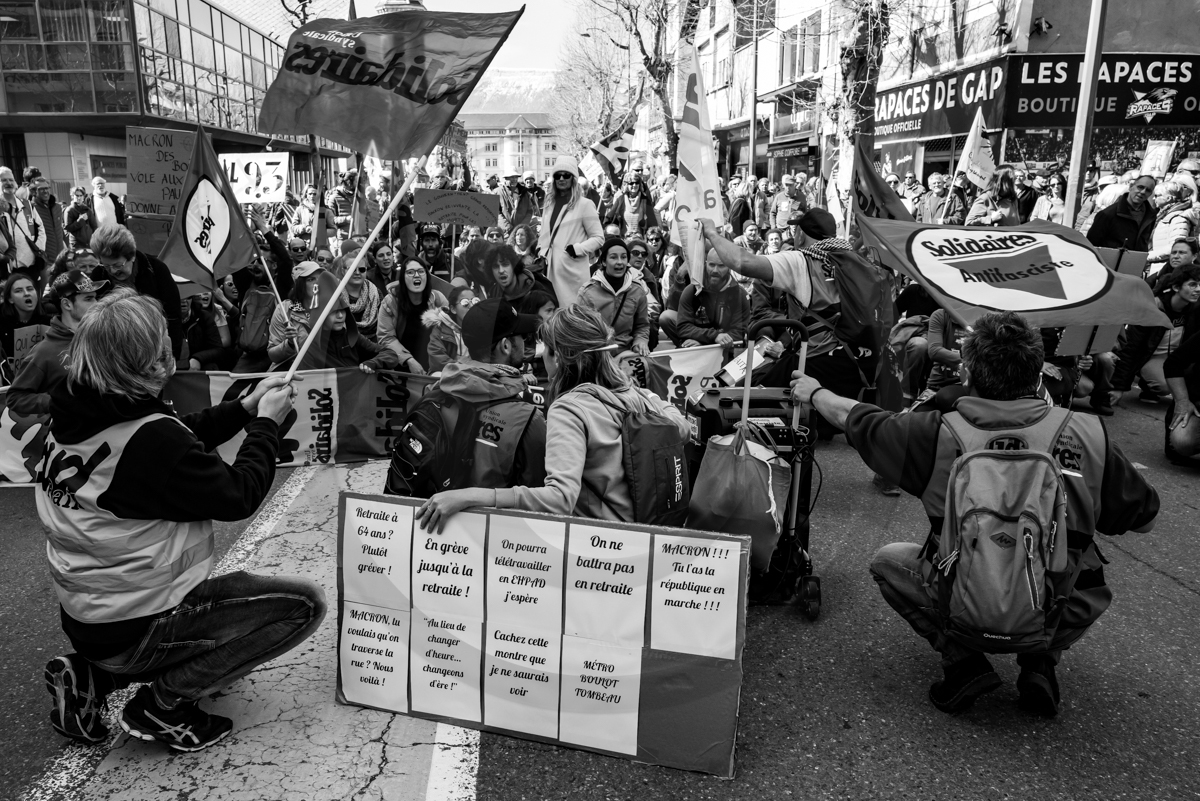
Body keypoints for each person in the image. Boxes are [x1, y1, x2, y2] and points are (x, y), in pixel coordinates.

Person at [791, 310, 1158, 716]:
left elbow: (856, 418)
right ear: (1038, 374)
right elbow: (1146, 521)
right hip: (1060, 607)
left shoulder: (934, 432)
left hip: (962, 602)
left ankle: (964, 663)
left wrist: (814, 391)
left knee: (887, 561)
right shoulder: (1089, 433)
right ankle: (1041, 663)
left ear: (967, 373)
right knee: (1084, 568)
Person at [38, 290, 325, 751]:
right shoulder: (149, 439)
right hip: (141, 621)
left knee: (228, 618)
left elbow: (177, 437)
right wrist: (267, 426)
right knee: (303, 605)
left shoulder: (80, 409)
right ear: (147, 361)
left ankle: (93, 678)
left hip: (91, 617)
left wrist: (245, 407)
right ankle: (164, 705)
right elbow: (238, 494)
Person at [416, 304, 688, 529]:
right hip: (645, 531)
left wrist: (469, 496)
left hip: (597, 543)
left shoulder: (569, 409)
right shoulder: (632, 395)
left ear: (558, 358)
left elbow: (559, 498)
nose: (540, 356)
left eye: (545, 349)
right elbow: (682, 427)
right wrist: (648, 395)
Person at [5, 270, 105, 415]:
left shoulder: (103, 339)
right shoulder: (44, 351)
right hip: (71, 434)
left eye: (96, 298)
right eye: (89, 299)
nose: (97, 304)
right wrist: (59, 402)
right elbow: (15, 398)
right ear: (67, 304)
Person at [89, 224, 183, 358]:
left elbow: (173, 315)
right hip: (113, 350)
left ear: (132, 256)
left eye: (117, 265)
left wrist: (171, 356)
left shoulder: (156, 270)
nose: (113, 271)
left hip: (153, 346)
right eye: (106, 265)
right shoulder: (98, 274)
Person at [1111, 266, 1200, 404]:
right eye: (1193, 285)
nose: (1198, 289)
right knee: (1165, 385)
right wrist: (1118, 387)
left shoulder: (1195, 310)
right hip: (1149, 356)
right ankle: (1146, 381)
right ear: (1176, 287)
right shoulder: (1153, 308)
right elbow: (1130, 349)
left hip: (1175, 357)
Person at [538, 156, 604, 306]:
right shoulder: (549, 204)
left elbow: (599, 238)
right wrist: (541, 254)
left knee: (573, 316)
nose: (561, 178)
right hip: (550, 268)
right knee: (553, 313)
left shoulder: (585, 204)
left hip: (572, 271)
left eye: (566, 175)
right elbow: (544, 235)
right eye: (557, 175)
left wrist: (577, 249)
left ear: (573, 178)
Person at [295, 287, 400, 373]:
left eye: (343, 311)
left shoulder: (352, 337)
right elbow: (307, 380)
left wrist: (372, 363)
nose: (340, 316)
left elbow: (390, 355)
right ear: (322, 315)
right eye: (334, 311)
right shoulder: (309, 346)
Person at [661, 248, 749, 349]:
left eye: (721, 266)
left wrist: (704, 345)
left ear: (729, 267)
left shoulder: (740, 294)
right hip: (700, 337)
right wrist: (712, 337)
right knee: (666, 317)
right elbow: (683, 327)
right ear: (706, 263)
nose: (715, 270)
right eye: (712, 265)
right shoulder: (692, 289)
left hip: (722, 345)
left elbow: (738, 334)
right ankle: (685, 346)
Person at [576, 237, 651, 355]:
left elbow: (642, 325)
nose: (619, 262)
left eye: (623, 257)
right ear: (604, 261)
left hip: (626, 352)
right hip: (597, 353)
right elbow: (579, 330)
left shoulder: (637, 291)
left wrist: (640, 341)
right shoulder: (587, 292)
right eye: (613, 257)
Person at [377, 256, 448, 373]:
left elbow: (450, 331)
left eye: (421, 271)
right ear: (402, 278)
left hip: (435, 368)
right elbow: (386, 338)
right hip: (401, 369)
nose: (416, 275)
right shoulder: (390, 302)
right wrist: (409, 360)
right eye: (410, 272)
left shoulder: (437, 299)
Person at [268, 261, 322, 370]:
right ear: (300, 284)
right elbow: (272, 355)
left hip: (321, 373)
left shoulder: (332, 307)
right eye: (311, 280)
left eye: (320, 279)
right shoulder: (284, 310)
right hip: (291, 373)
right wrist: (290, 344)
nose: (317, 283)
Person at [1086, 175, 1157, 251]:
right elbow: (1091, 245)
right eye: (1140, 187)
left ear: (1150, 194)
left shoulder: (1150, 216)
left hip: (1135, 261)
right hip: (1108, 261)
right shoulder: (1108, 214)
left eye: (1148, 190)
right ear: (1131, 187)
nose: (1143, 192)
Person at [1, 167, 46, 275]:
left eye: (11, 180)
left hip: (30, 265)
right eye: (4, 180)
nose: (9, 183)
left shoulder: (27, 204)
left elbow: (41, 229)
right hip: (6, 268)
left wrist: (37, 250)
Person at [487, 243, 552, 315]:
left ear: (514, 265)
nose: (501, 270)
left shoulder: (536, 288)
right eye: (496, 266)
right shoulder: (493, 294)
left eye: (505, 264)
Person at [424, 284, 476, 372]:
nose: (471, 306)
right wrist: (466, 368)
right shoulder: (440, 329)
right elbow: (438, 361)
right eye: (465, 303)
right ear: (453, 309)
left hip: (473, 374)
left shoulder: (482, 328)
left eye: (475, 302)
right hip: (446, 374)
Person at [0, 272, 52, 357]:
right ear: (10, 299)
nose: (26, 293)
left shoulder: (48, 322)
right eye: (18, 291)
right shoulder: (2, 324)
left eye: (30, 289)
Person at [1147, 178, 1197, 263]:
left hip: (1166, 269)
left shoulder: (1178, 218)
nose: (1153, 199)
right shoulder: (1165, 216)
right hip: (1158, 266)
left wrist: (1148, 256)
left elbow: (1176, 247)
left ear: (1169, 198)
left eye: (1157, 195)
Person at [604, 172, 658, 239]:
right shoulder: (620, 199)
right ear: (626, 184)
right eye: (631, 183)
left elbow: (652, 222)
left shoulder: (645, 200)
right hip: (623, 239)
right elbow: (609, 217)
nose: (634, 185)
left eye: (637, 183)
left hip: (640, 240)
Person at [29, 177, 64, 262]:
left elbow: (60, 231)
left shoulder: (58, 207)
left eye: (47, 188)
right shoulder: (30, 209)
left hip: (60, 257)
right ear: (34, 192)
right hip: (44, 259)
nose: (45, 191)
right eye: (41, 189)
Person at [63, 186, 98, 251]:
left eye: (81, 195)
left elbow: (94, 226)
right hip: (76, 244)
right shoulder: (69, 210)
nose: (79, 198)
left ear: (83, 197)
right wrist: (80, 220)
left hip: (89, 243)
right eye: (77, 195)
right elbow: (68, 228)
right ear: (72, 196)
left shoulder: (87, 210)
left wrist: (94, 239)